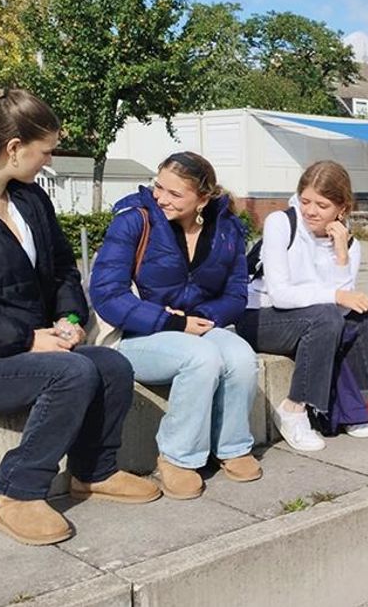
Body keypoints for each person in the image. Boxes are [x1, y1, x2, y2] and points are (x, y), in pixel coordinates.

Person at [0, 89, 160, 546]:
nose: (49, 160)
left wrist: (71, 317)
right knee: (72, 372)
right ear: (14, 147)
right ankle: (18, 492)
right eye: (46, 151)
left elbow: (61, 268)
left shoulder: (31, 201)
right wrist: (27, 339)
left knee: (111, 365)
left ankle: (94, 472)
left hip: (31, 347)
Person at [90, 151, 260, 499]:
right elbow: (107, 294)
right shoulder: (134, 220)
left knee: (241, 356)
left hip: (195, 327)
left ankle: (232, 446)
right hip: (136, 334)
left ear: (203, 197)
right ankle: (177, 458)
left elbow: (236, 294)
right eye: (159, 187)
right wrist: (172, 321)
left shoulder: (226, 229)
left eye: (174, 193)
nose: (161, 198)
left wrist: (202, 319)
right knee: (200, 357)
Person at [240, 160, 368, 451]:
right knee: (326, 317)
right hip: (258, 317)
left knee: (364, 318)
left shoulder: (350, 243)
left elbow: (345, 307)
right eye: (305, 201)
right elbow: (281, 294)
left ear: (342, 209)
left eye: (322, 205)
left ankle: (354, 399)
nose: (310, 211)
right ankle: (293, 409)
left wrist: (341, 254)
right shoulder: (281, 223)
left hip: (311, 320)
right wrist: (335, 296)